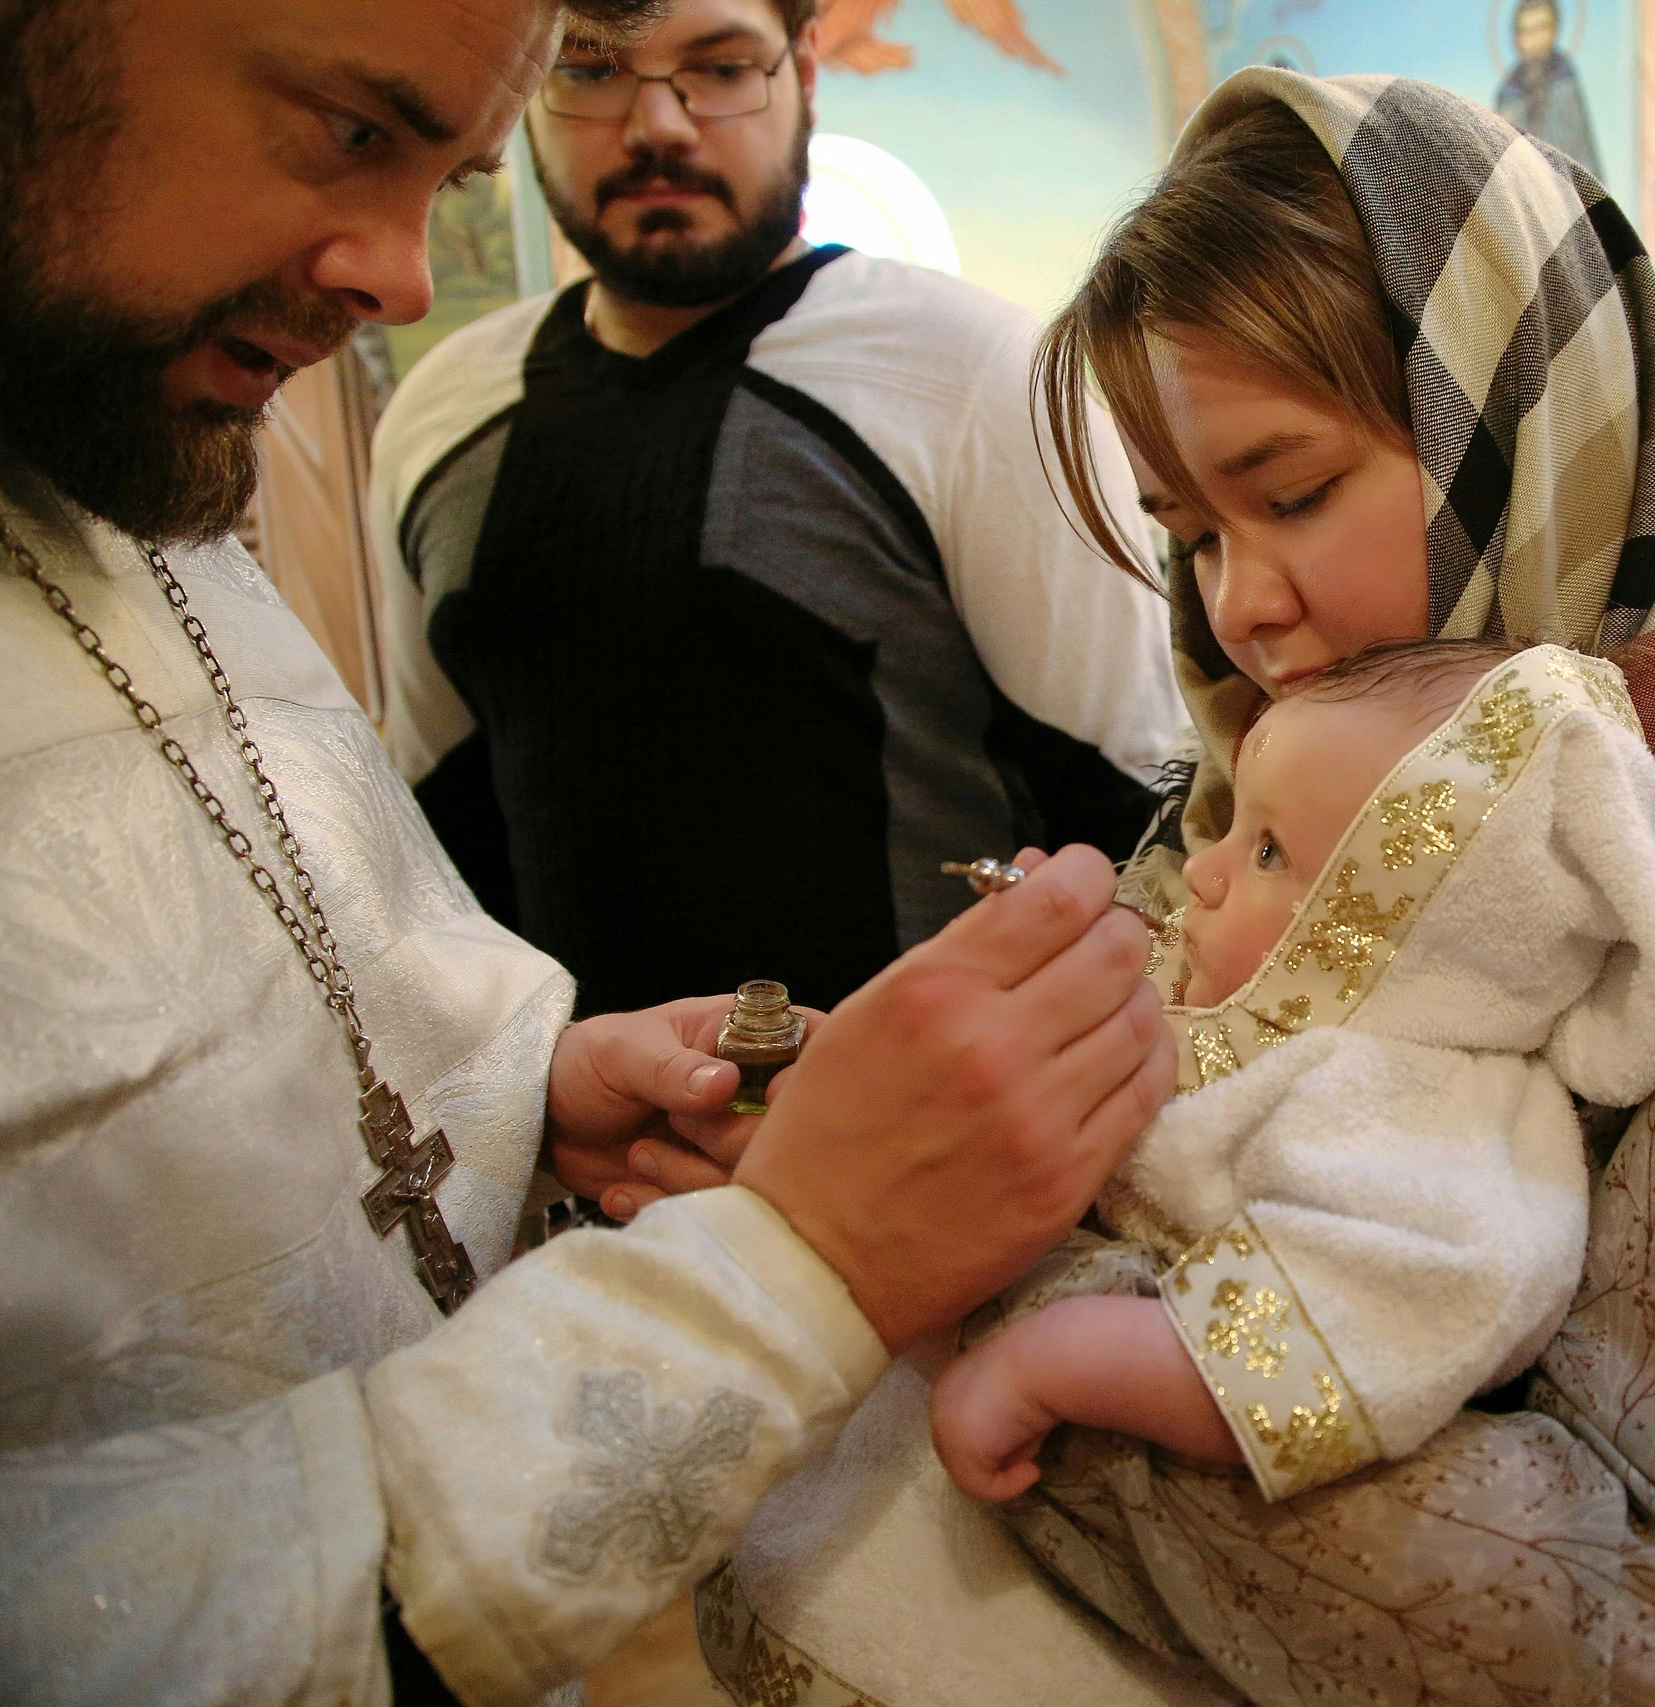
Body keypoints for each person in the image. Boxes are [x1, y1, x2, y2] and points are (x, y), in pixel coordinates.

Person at [715, 68, 1655, 1707]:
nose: (1239, 608)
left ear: (1510, 423)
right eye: (1191, 531)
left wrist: (985, 1310)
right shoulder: (1288, 762)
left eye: (1291, 494)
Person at [0, 2, 1174, 1701]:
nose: (406, 277)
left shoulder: (117, 429)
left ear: (802, 79)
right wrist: (769, 1258)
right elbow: (444, 809)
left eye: (719, 64)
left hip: (907, 1276)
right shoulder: (417, 408)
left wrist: (521, 1088)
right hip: (645, 1327)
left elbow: (1115, 788)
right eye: (350, 132)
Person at [372, 0, 1184, 1019]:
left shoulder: (975, 373)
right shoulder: (438, 415)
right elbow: (432, 841)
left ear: (803, 67)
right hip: (579, 1151)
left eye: (717, 68)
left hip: (922, 1143)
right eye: (589, 71)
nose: (659, 126)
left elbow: (1133, 816)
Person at [932, 639, 1655, 1510]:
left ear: (1425, 929)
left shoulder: (1432, 1117)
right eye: (1233, 826)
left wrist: (1056, 1363)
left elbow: (1364, 1331)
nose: (1201, 869)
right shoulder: (1233, 989)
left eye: (1269, 853)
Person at [1492, 0, 1603, 180]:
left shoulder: (1563, 81)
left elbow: (1581, 153)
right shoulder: (1508, 94)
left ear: (1554, 29)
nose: (1535, 40)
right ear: (1517, 37)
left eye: (1542, 27)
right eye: (1527, 31)